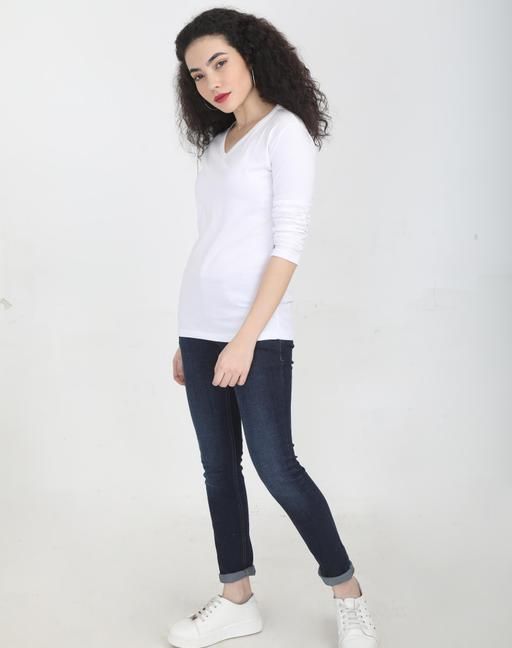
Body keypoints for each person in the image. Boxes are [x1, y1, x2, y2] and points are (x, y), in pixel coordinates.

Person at [168, 8, 379, 648]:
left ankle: (348, 592)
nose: (211, 81)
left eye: (220, 63)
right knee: (218, 468)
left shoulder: (284, 134)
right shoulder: (216, 147)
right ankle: (237, 597)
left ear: (251, 56)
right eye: (197, 74)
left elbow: (287, 246)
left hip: (254, 331)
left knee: (276, 466)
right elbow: (215, 242)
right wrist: (187, 335)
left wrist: (245, 338)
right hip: (200, 326)